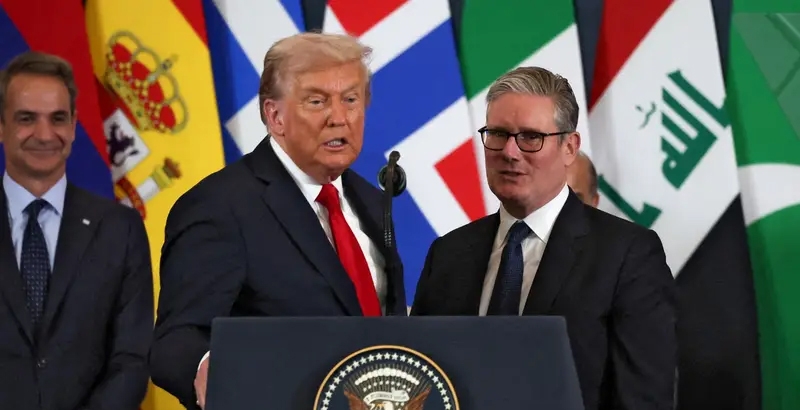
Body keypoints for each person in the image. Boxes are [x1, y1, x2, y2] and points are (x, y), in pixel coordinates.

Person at [149, 32, 407, 409]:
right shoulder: (220, 206)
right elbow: (177, 339)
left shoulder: (371, 200)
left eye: (351, 99)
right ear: (275, 116)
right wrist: (209, 367)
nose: (339, 118)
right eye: (317, 101)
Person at [411, 67, 676, 410]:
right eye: (498, 134)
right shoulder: (448, 254)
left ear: (569, 147)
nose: (510, 152)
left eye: (531, 137)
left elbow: (643, 400)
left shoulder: (627, 254)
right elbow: (420, 381)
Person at [0, 51, 152, 410]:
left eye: (58, 118)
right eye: (26, 118)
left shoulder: (120, 230)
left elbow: (132, 359)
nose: (44, 134)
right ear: (2, 126)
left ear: (72, 126)